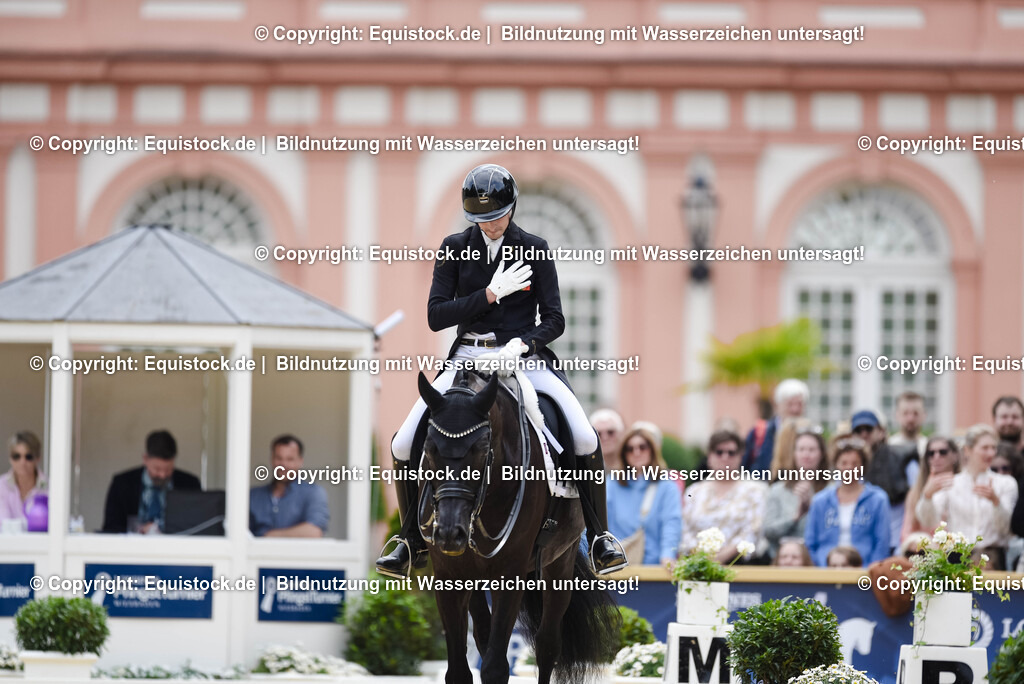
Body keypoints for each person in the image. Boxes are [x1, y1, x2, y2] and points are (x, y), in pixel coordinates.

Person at [377, 163, 627, 578]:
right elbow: (436, 316)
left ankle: (600, 538)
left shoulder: (534, 247)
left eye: (496, 217)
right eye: (480, 219)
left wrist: (523, 344)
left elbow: (555, 319)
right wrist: (489, 295)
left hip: (522, 358)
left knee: (583, 434)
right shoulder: (455, 247)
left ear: (511, 209)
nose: (489, 226)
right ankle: (409, 541)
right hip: (468, 359)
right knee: (404, 441)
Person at [916, 424, 1019, 569]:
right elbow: (928, 520)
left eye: (993, 447)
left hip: (993, 560)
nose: (990, 453)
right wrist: (927, 495)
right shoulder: (951, 483)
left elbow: (1006, 528)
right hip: (957, 559)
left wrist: (996, 502)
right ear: (968, 450)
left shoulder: (1006, 483)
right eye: (984, 448)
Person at [682, 430, 766, 562]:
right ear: (709, 456)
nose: (725, 457)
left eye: (731, 453)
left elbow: (754, 530)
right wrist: (700, 553)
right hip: (697, 563)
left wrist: (724, 555)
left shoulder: (754, 490)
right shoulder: (694, 491)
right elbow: (683, 529)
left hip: (739, 564)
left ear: (740, 456)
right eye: (719, 452)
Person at [805, 438, 890, 567]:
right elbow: (810, 543)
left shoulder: (878, 499)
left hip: (863, 569)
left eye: (855, 463)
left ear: (863, 466)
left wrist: (871, 570)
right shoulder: (820, 500)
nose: (849, 468)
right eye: (844, 463)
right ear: (836, 465)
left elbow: (882, 542)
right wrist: (821, 567)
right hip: (826, 569)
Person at [607, 427, 682, 566]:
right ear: (623, 453)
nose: (636, 452)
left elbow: (671, 523)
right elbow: (602, 524)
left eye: (643, 447)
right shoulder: (611, 484)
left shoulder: (667, 486)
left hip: (654, 567)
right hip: (616, 566)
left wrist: (668, 555)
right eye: (630, 448)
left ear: (652, 451)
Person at [101, 430, 200, 533]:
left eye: (168, 470)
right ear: (145, 459)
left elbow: (198, 527)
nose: (162, 475)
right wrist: (138, 531)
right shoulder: (122, 484)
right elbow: (111, 527)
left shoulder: (190, 485)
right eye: (157, 469)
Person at [763, 426, 829, 559]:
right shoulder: (778, 490)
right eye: (801, 449)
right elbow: (768, 531)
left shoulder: (831, 490)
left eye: (812, 450)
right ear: (794, 454)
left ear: (821, 454)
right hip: (782, 562)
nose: (806, 454)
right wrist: (795, 517)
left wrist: (814, 509)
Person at [852, 410, 913, 549]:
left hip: (896, 541)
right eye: (858, 430)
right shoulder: (845, 466)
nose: (864, 434)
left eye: (869, 429)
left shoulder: (902, 458)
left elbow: (914, 497)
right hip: (862, 545)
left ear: (881, 432)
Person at [250, 435, 329, 537]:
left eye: (290, 459)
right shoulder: (253, 496)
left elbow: (314, 532)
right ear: (272, 459)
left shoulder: (313, 493)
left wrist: (269, 536)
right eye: (279, 458)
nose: (283, 464)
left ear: (300, 461)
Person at [900, 435, 961, 543]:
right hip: (925, 552)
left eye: (942, 452)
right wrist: (927, 495)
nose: (936, 457)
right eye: (931, 453)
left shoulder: (963, 485)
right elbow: (906, 534)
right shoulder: (916, 492)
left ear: (955, 455)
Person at [744, 379, 809, 475]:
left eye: (799, 404)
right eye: (790, 404)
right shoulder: (760, 433)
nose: (795, 409)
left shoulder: (810, 434)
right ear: (778, 405)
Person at [0, 431, 47, 531]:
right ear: (10, 458)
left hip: (41, 545)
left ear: (37, 458)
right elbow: (4, 523)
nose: (22, 462)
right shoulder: (2, 485)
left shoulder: (49, 486)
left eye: (28, 457)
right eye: (16, 456)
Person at [888, 391, 928, 457]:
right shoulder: (888, 447)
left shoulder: (930, 450)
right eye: (905, 413)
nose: (910, 419)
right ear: (897, 415)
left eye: (916, 413)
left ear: (924, 415)